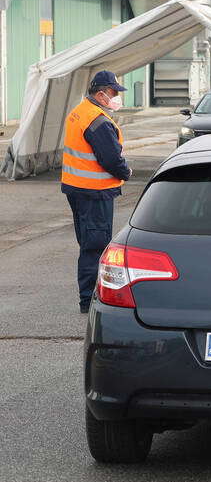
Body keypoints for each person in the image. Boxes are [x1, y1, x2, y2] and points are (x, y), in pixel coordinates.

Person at [62, 70, 131, 314]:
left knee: (88, 243)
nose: (116, 97)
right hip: (95, 192)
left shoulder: (80, 110)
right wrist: (126, 172)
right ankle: (89, 301)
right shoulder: (97, 120)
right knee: (95, 245)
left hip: (78, 189)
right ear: (101, 94)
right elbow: (111, 158)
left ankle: (88, 296)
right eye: (113, 93)